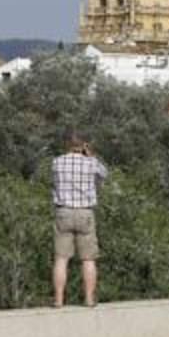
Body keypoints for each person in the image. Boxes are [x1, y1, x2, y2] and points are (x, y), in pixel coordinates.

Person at [51, 130, 108, 308]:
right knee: (88, 259)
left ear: (67, 144)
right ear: (84, 145)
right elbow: (105, 174)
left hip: (64, 212)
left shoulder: (57, 162)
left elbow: (53, 183)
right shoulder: (91, 163)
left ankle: (59, 300)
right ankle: (89, 299)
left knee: (61, 258)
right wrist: (91, 155)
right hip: (85, 212)